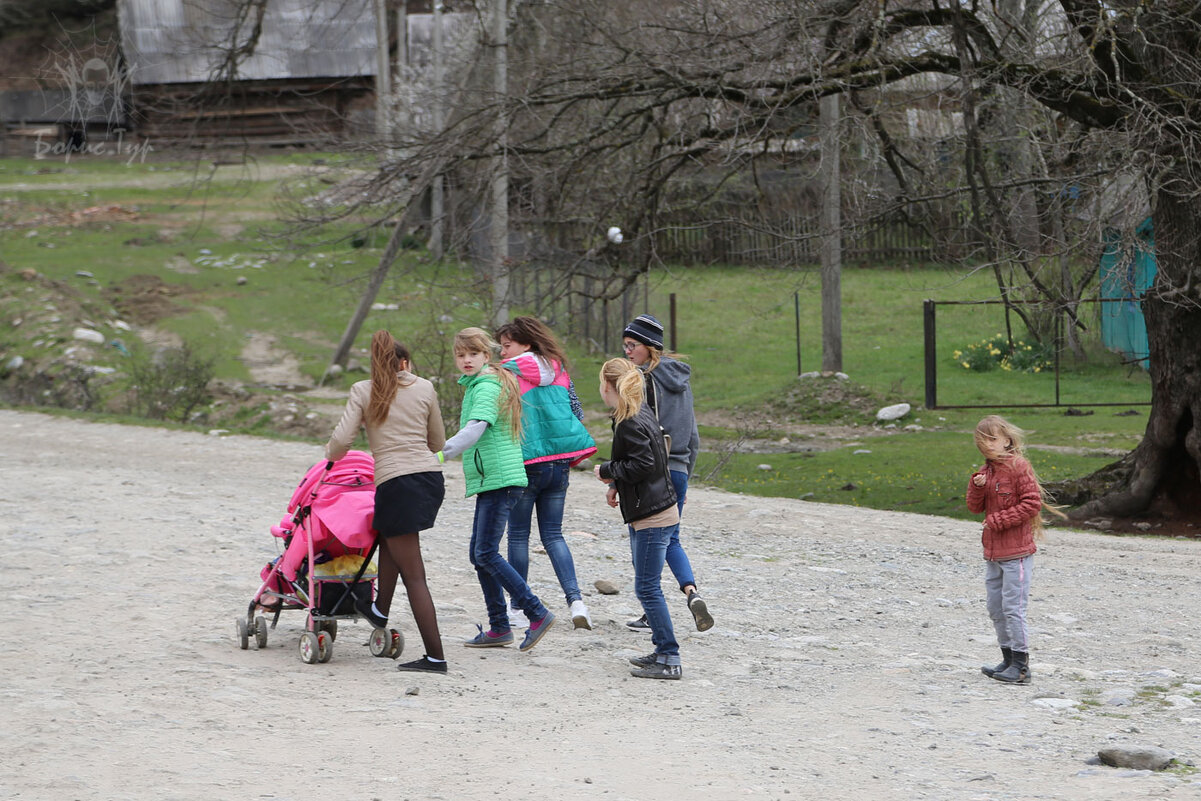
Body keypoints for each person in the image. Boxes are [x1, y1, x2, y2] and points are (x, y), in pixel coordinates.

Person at [325, 330, 448, 674]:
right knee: (390, 535)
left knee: (415, 575)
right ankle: (379, 608)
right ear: (404, 363)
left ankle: (436, 658)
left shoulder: (364, 390)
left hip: (396, 482)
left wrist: (331, 456)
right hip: (428, 479)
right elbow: (437, 440)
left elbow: (342, 441)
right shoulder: (424, 387)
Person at [439, 327, 556, 652]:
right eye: (461, 355)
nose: (466, 360)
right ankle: (499, 627)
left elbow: (476, 428)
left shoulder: (487, 386)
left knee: (486, 553)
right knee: (479, 554)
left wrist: (440, 453)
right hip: (493, 478)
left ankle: (536, 612)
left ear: (485, 356)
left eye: (472, 354)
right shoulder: (481, 382)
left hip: (501, 479)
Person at [496, 317, 598, 630]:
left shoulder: (507, 374)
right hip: (559, 465)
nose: (502, 352)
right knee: (553, 535)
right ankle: (576, 601)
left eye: (507, 345)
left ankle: (516, 608)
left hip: (526, 464)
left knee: (518, 536)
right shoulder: (559, 369)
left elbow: (501, 418)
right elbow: (577, 413)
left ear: (525, 343)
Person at [621, 313, 713, 632]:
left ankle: (651, 610)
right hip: (680, 469)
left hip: (651, 474)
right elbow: (695, 435)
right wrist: (685, 473)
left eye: (633, 345)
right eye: (625, 346)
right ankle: (691, 592)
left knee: (642, 541)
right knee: (671, 538)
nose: (628, 352)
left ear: (650, 346)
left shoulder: (640, 381)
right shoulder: (682, 381)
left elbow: (636, 434)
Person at [595, 358, 682, 679]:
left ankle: (670, 657)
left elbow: (643, 463)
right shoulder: (637, 412)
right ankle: (661, 649)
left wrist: (606, 471)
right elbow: (644, 460)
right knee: (647, 584)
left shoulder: (630, 420)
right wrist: (617, 484)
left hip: (652, 515)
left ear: (608, 387)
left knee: (647, 589)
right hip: (655, 509)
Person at [966, 414, 1062, 685]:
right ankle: (1007, 658)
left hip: (1016, 554)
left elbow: (1032, 504)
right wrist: (976, 487)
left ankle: (1021, 665)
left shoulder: (1019, 467)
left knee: (1013, 607)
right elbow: (974, 507)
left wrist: (998, 520)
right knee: (995, 608)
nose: (986, 445)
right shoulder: (986, 471)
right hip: (993, 554)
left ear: (1007, 440)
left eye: (992, 439)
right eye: (981, 441)